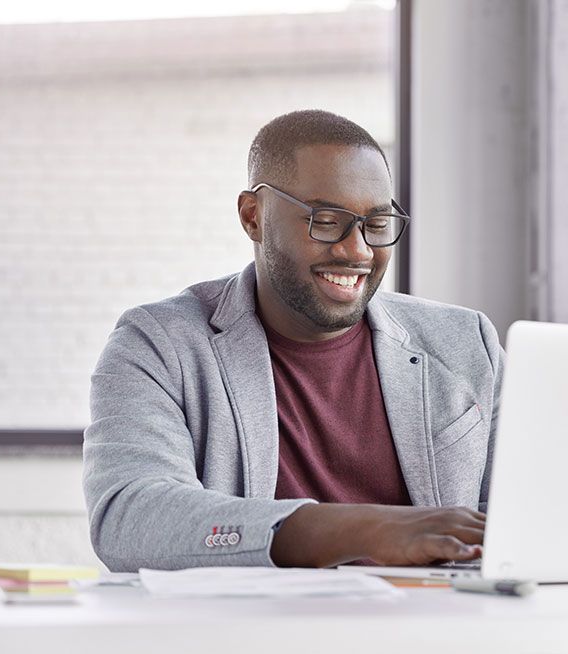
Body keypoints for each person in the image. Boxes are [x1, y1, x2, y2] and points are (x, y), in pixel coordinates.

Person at [83, 110, 504, 572]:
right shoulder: (159, 345)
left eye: (377, 224)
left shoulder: (467, 342)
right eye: (326, 221)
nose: (358, 250)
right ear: (253, 216)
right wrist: (367, 530)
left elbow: (529, 514)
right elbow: (130, 517)